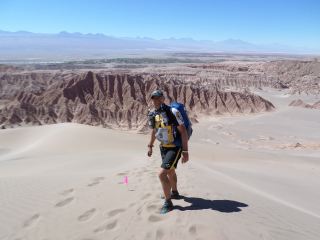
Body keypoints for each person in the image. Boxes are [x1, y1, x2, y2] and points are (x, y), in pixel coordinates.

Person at [147, 90, 189, 214]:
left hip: (174, 147)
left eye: (158, 98)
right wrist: (150, 145)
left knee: (161, 174)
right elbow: (155, 131)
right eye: (154, 98)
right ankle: (174, 193)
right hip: (163, 146)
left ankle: (168, 202)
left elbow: (183, 132)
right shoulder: (154, 114)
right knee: (170, 171)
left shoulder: (172, 112)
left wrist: (185, 151)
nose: (156, 100)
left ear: (163, 99)